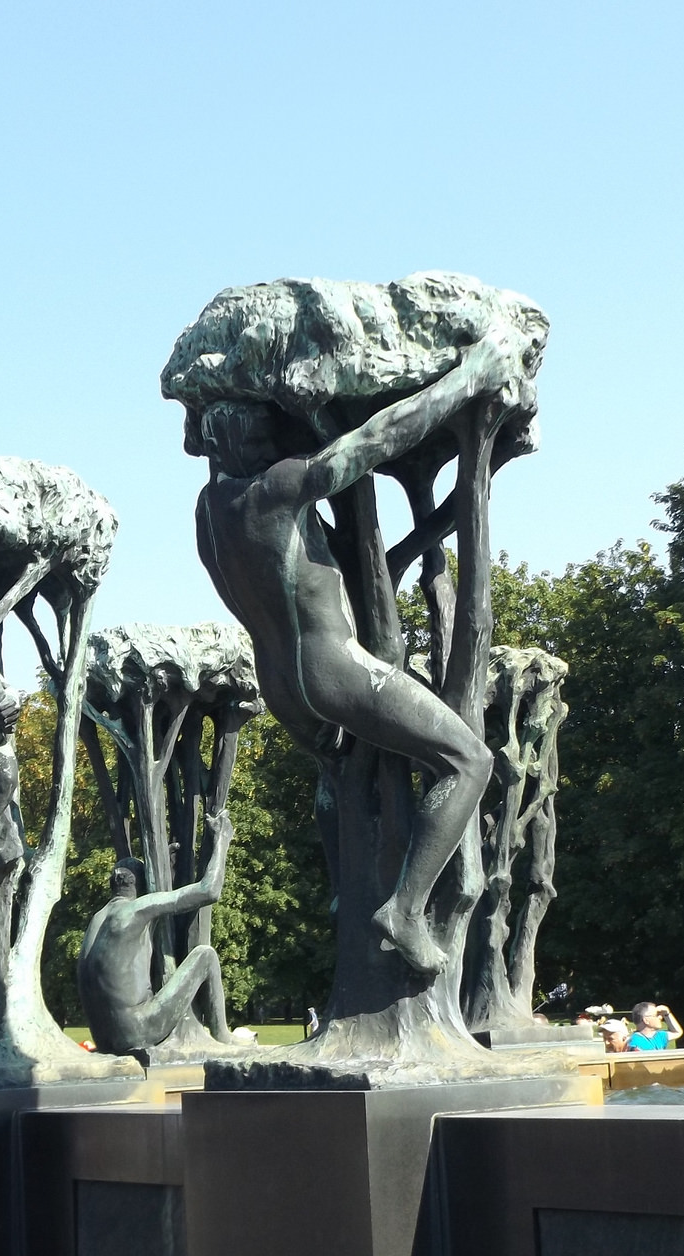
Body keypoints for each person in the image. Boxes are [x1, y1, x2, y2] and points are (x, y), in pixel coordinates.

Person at [189, 328, 529, 974]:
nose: (271, 433)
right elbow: (372, 444)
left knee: (345, 778)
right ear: (237, 436)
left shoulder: (209, 513)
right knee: (470, 761)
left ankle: (348, 889)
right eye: (260, 426)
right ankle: (403, 910)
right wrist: (467, 378)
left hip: (280, 682)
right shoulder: (277, 487)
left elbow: (298, 573)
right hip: (334, 666)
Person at [77, 813, 235, 1055]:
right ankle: (223, 1036)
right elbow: (209, 891)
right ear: (142, 887)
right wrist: (222, 840)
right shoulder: (136, 910)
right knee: (205, 956)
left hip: (105, 1038)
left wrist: (165, 869)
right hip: (138, 1030)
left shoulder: (97, 920)